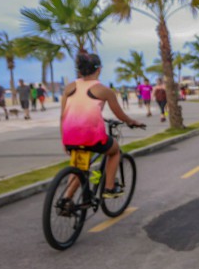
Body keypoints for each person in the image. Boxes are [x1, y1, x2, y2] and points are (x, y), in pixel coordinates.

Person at [60, 52, 144, 199]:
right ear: (99, 69)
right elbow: (120, 115)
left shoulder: (69, 88)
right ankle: (109, 188)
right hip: (91, 137)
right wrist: (133, 122)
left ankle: (66, 199)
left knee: (79, 167)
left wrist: (64, 141)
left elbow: (63, 116)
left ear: (79, 70)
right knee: (115, 150)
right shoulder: (104, 91)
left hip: (70, 137)